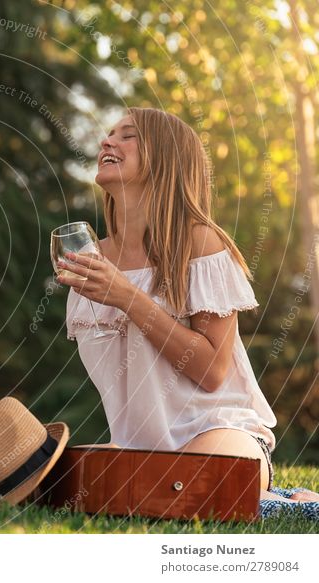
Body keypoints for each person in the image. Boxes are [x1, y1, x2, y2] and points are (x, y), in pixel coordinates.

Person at [57, 107, 319, 505]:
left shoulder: (200, 244)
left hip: (219, 434)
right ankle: (270, 499)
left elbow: (212, 372)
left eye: (128, 135)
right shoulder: (92, 261)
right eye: (109, 134)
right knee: (67, 479)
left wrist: (126, 296)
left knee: (198, 484)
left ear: (165, 157)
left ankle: (283, 502)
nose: (107, 142)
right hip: (140, 449)